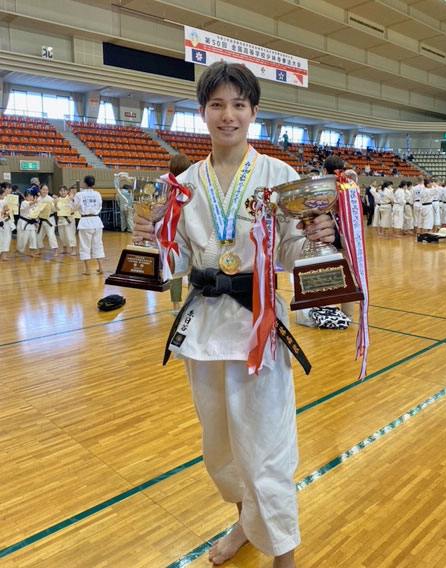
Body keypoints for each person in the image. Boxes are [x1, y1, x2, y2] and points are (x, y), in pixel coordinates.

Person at [133, 62, 335, 568]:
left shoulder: (279, 176)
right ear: (202, 112)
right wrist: (149, 240)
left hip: (258, 326)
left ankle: (284, 556)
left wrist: (316, 239)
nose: (228, 115)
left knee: (266, 449)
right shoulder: (182, 184)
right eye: (217, 105)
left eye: (238, 105)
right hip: (204, 328)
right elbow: (177, 261)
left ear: (254, 112)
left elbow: (288, 252)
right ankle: (244, 524)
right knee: (221, 451)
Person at [167, 154, 192, 315]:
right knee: (193, 270)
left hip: (172, 234)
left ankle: (176, 307)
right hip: (190, 233)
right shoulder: (192, 187)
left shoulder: (168, 187)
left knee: (175, 270)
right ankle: (190, 304)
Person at [71, 175, 105, 275]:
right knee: (98, 244)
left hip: (85, 222)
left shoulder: (79, 195)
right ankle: (101, 267)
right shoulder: (97, 194)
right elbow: (100, 206)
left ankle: (88, 270)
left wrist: (71, 199)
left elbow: (73, 208)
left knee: (85, 245)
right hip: (97, 221)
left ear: (84, 184)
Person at [36, 184, 59, 258]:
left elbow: (55, 210)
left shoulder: (50, 199)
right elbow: (36, 210)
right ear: (40, 190)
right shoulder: (38, 199)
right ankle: (40, 249)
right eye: (43, 189)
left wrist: (55, 204)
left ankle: (55, 249)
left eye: (46, 190)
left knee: (51, 235)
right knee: (38, 236)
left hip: (49, 220)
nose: (45, 191)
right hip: (41, 220)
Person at [16, 191, 39, 256]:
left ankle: (32, 252)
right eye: (28, 196)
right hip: (24, 223)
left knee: (33, 238)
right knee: (23, 239)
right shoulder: (24, 203)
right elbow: (27, 207)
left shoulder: (35, 205)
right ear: (25, 197)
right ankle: (18, 250)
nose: (30, 197)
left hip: (31, 224)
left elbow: (36, 214)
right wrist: (33, 203)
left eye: (31, 196)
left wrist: (36, 221)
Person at [56, 185, 77, 255]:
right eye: (61, 191)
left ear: (67, 191)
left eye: (64, 191)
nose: (63, 192)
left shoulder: (70, 198)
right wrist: (55, 203)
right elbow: (56, 209)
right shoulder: (58, 199)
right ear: (59, 192)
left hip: (69, 219)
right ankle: (64, 249)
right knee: (62, 235)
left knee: (70, 234)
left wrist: (72, 199)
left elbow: (75, 207)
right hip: (61, 219)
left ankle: (73, 250)